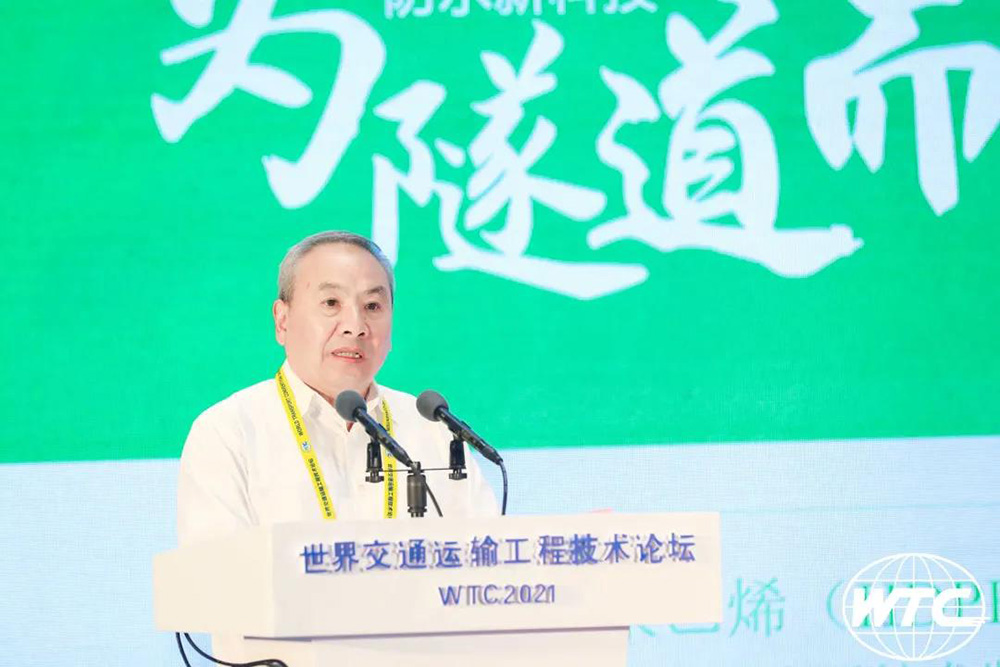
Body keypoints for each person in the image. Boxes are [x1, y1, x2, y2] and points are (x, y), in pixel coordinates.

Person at [177, 231, 498, 546]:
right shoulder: (228, 433)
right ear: (282, 320)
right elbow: (215, 571)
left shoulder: (433, 429)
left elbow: (489, 558)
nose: (355, 327)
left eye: (372, 306)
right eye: (331, 303)